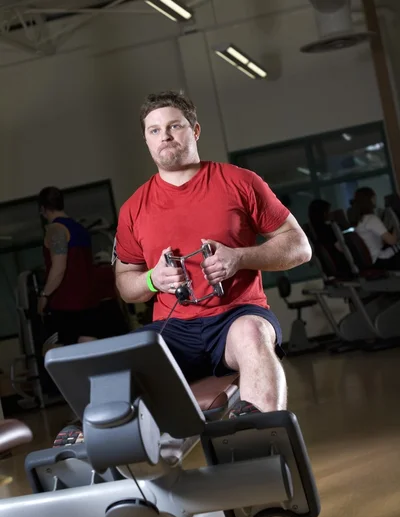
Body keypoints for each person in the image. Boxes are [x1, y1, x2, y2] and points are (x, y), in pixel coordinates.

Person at [113, 90, 312, 419]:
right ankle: (107, 453)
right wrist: (152, 278)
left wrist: (240, 258)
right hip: (173, 329)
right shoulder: (133, 208)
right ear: (146, 140)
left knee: (252, 334)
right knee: (121, 359)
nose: (164, 136)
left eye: (174, 126)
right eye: (154, 130)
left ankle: (263, 440)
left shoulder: (239, 181)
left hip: (236, 317)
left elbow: (299, 246)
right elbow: (125, 283)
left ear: (195, 131)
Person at [38, 186, 100, 347]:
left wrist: (44, 295)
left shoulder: (56, 229)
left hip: (66, 304)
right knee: (89, 348)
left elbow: (58, 268)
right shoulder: (80, 229)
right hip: (89, 301)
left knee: (62, 353)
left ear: (43, 209)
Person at [353, 187, 400, 270]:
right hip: (381, 259)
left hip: (374, 259)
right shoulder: (371, 219)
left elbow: (381, 241)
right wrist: (397, 227)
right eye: (374, 197)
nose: (376, 199)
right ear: (370, 199)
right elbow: (392, 241)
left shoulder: (362, 220)